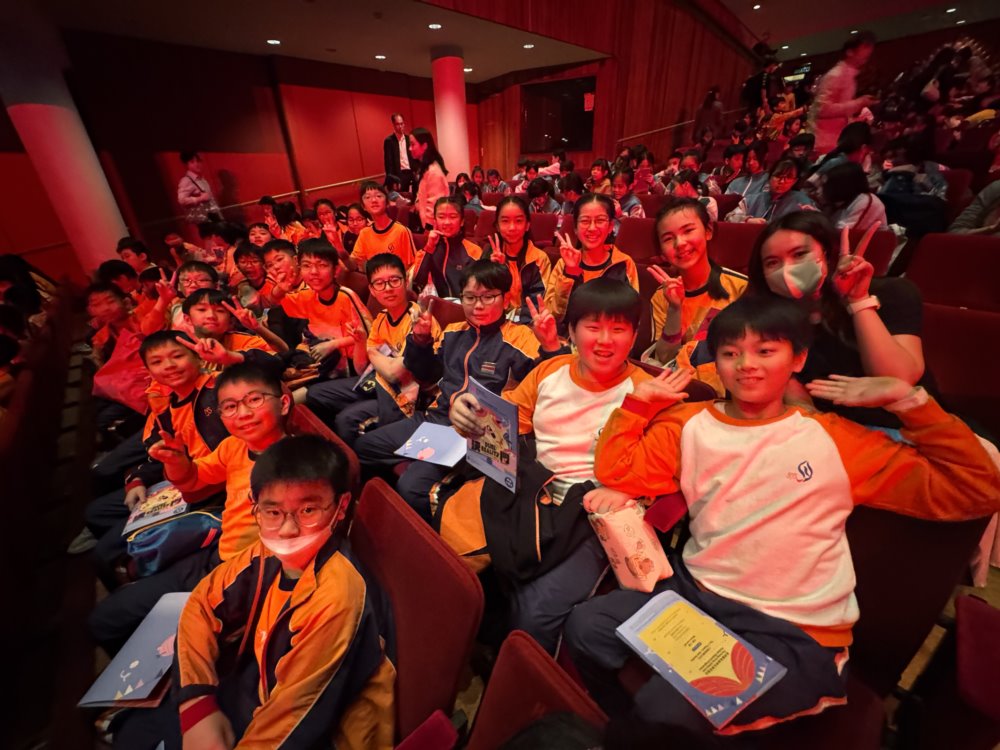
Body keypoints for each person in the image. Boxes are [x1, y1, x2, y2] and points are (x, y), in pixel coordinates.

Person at [564, 294, 1000, 740]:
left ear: (798, 359)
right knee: (587, 627)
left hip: (791, 630)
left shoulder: (832, 439)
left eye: (765, 351)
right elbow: (618, 472)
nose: (746, 365)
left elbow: (977, 487)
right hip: (698, 598)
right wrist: (638, 404)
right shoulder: (689, 423)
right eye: (731, 353)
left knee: (664, 710)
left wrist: (910, 402)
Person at [110, 435, 395, 750]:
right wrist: (197, 703)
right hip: (253, 682)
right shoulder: (267, 551)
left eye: (308, 510)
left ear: (341, 507)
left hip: (310, 729)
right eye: (273, 513)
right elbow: (201, 605)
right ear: (254, 506)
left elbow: (297, 721)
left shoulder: (338, 596)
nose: (287, 530)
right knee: (134, 730)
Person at [442, 279, 653, 653]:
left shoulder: (647, 392)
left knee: (534, 613)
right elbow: (505, 418)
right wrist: (464, 410)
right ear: (571, 331)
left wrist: (625, 489)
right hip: (533, 493)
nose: (605, 341)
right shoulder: (550, 372)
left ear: (635, 336)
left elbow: (663, 463)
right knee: (451, 550)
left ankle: (524, 674)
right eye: (593, 327)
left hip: (592, 515)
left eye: (619, 329)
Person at [353, 260, 562, 519]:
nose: (478, 305)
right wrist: (420, 341)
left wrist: (551, 347)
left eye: (488, 297)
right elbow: (427, 376)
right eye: (470, 297)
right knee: (363, 447)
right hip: (435, 420)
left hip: (475, 436)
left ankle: (437, 525)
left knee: (411, 487)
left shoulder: (520, 339)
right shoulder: (453, 332)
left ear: (505, 298)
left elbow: (551, 385)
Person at [748, 211, 930, 428]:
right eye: (772, 263)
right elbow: (789, 390)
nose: (787, 269)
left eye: (799, 254)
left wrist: (858, 300)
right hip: (824, 428)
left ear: (826, 254)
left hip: (902, 428)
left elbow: (898, 378)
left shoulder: (892, 292)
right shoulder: (769, 318)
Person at [84, 330, 228, 593]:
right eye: (157, 362)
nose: (169, 366)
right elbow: (158, 454)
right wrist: (137, 478)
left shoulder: (219, 389)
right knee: (97, 512)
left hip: (213, 491)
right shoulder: (165, 407)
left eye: (177, 356)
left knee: (105, 554)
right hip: (177, 484)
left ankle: (135, 582)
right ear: (149, 370)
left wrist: (229, 359)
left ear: (198, 357)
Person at [307, 254, 441, 444]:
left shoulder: (419, 321)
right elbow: (362, 368)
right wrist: (361, 343)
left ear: (405, 282)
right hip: (377, 381)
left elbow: (395, 373)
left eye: (394, 280)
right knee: (316, 394)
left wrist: (374, 354)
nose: (388, 288)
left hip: (406, 397)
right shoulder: (381, 319)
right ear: (372, 289)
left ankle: (358, 456)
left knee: (346, 420)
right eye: (379, 283)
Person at [645, 199, 747, 395]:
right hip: (678, 392)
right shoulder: (661, 296)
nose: (680, 243)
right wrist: (674, 308)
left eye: (688, 231)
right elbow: (664, 360)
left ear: (708, 231)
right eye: (668, 238)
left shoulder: (741, 288)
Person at [273, 239, 372, 379]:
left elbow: (367, 335)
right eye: (306, 266)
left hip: (351, 369)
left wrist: (333, 344)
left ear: (336, 270)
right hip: (320, 363)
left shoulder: (345, 296)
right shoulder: (307, 295)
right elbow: (277, 302)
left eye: (322, 265)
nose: (314, 272)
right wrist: (280, 289)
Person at [545, 194, 639, 320]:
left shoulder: (624, 263)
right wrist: (570, 272)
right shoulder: (563, 264)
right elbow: (552, 315)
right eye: (585, 221)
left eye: (600, 220)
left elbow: (632, 314)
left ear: (611, 227)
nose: (592, 228)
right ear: (575, 228)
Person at [485, 195, 552, 322]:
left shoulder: (539, 259)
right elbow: (482, 297)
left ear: (527, 225)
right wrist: (497, 270)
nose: (512, 227)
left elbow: (537, 302)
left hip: (527, 323)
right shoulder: (489, 254)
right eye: (505, 221)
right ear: (497, 226)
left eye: (519, 221)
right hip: (493, 320)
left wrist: (520, 328)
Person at [810, 32, 878, 154]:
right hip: (825, 142)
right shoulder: (836, 75)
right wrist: (859, 103)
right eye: (865, 46)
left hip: (835, 139)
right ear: (850, 52)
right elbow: (822, 109)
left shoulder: (849, 75)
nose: (868, 51)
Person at [410, 196, 484, 298]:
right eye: (441, 217)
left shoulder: (474, 251)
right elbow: (417, 282)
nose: (447, 222)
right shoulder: (429, 248)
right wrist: (429, 248)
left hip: (463, 305)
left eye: (453, 217)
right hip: (434, 304)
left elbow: (480, 288)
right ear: (435, 221)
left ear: (462, 221)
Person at [350, 180, 418, 269]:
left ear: (387, 203)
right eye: (367, 197)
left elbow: (413, 266)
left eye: (378, 196)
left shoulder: (401, 231)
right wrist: (338, 246)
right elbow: (353, 263)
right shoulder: (364, 233)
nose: (374, 200)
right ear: (363, 207)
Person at [743, 158, 816, 223]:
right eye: (778, 176)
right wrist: (747, 220)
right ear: (769, 177)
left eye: (788, 177)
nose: (782, 181)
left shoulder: (801, 200)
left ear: (794, 181)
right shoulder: (752, 199)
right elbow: (736, 216)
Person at [823, 162, 888, 232]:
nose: (822, 190)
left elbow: (844, 232)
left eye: (827, 186)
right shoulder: (842, 201)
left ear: (841, 186)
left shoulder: (866, 201)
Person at [410, 127, 449, 229]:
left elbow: (434, 207)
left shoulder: (434, 171)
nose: (410, 148)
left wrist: (428, 230)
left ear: (424, 146)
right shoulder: (426, 169)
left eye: (413, 144)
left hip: (434, 228)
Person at [176, 151, 220, 225]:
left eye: (198, 161)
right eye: (192, 162)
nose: (196, 164)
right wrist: (200, 198)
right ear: (186, 164)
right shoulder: (186, 180)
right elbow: (182, 200)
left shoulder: (202, 179)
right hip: (204, 221)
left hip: (213, 218)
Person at [233, 243, 276, 315]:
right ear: (237, 266)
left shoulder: (274, 284)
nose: (249, 266)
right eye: (243, 262)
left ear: (264, 264)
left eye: (255, 261)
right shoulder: (241, 286)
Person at [383, 112, 414, 191]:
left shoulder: (408, 139)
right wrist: (392, 179)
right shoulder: (389, 141)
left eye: (402, 124)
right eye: (397, 124)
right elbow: (388, 162)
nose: (400, 126)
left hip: (411, 172)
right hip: (399, 175)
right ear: (393, 125)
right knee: (401, 196)